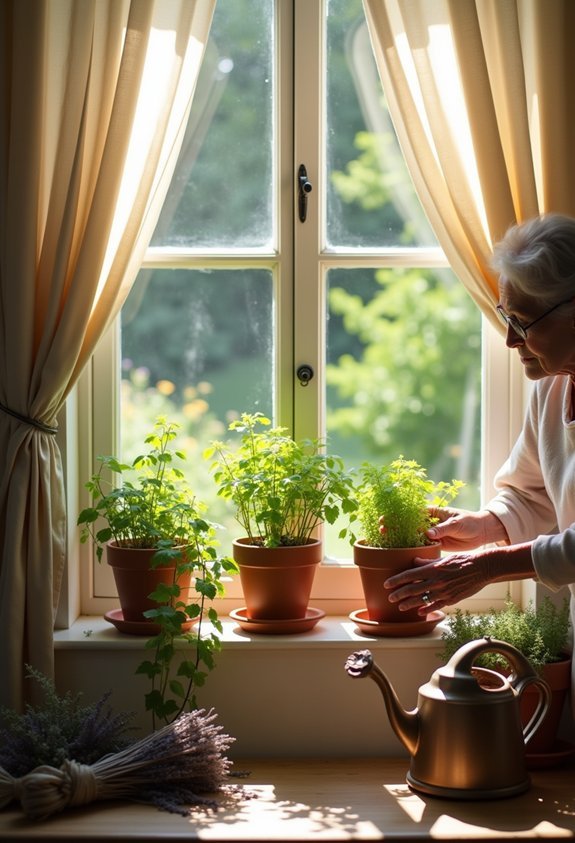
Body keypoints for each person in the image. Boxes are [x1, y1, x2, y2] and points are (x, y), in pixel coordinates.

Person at [384, 213, 575, 637]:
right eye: (506, 317)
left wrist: (487, 566)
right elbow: (530, 491)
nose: (510, 340)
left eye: (523, 322)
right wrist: (486, 525)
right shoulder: (552, 384)